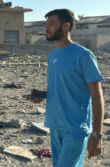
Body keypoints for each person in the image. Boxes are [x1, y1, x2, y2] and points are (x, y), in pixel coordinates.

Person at [27, 9, 104, 167]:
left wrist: (97, 134)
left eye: (52, 23)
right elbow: (63, 88)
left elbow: (97, 95)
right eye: (46, 24)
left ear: (66, 26)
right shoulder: (52, 55)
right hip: (55, 125)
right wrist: (42, 95)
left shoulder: (83, 55)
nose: (46, 28)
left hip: (75, 127)